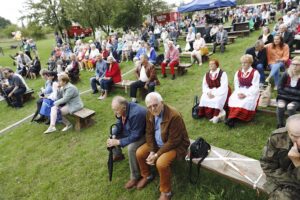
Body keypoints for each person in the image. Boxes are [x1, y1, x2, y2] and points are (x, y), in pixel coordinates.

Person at [136, 92, 190, 200]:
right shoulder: (150, 113)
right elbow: (149, 132)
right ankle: (147, 175)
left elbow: (174, 141)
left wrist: (156, 155)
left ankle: (166, 192)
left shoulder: (174, 115)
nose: (153, 109)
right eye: (150, 106)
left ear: (162, 103)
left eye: (155, 105)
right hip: (158, 143)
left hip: (176, 145)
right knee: (139, 153)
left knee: (161, 163)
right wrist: (152, 151)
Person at [107, 96, 147, 189]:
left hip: (144, 134)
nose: (115, 112)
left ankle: (135, 176)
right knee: (113, 133)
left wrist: (119, 141)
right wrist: (114, 134)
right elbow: (119, 122)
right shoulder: (123, 109)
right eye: (114, 110)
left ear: (124, 107)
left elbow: (136, 135)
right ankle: (118, 155)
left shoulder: (137, 113)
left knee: (131, 148)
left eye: (116, 110)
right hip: (132, 130)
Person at [260, 114, 300, 200]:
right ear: (288, 132)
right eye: (295, 136)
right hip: (282, 179)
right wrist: (290, 180)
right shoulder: (278, 138)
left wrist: (297, 162)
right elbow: (267, 164)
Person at [226, 55, 260, 128]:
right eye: (242, 63)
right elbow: (236, 84)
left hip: (251, 91)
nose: (243, 64)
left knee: (244, 102)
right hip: (240, 90)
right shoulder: (238, 72)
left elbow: (255, 86)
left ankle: (232, 118)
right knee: (233, 99)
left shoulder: (255, 73)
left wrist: (246, 94)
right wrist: (238, 93)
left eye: (245, 62)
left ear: (250, 63)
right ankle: (233, 118)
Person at [198, 59, 229, 123]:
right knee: (203, 98)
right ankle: (204, 114)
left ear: (217, 65)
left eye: (213, 64)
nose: (211, 65)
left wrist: (214, 94)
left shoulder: (222, 73)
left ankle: (216, 115)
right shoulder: (207, 74)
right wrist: (208, 92)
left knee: (217, 100)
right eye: (210, 64)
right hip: (210, 91)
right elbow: (204, 85)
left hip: (220, 90)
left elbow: (224, 86)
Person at [276, 56, 300, 128]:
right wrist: (294, 92)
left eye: (297, 65)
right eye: (293, 64)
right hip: (284, 97)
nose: (295, 66)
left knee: (290, 107)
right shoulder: (286, 74)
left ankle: (292, 126)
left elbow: (283, 89)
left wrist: (286, 89)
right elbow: (279, 88)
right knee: (280, 106)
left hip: (297, 99)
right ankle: (280, 125)